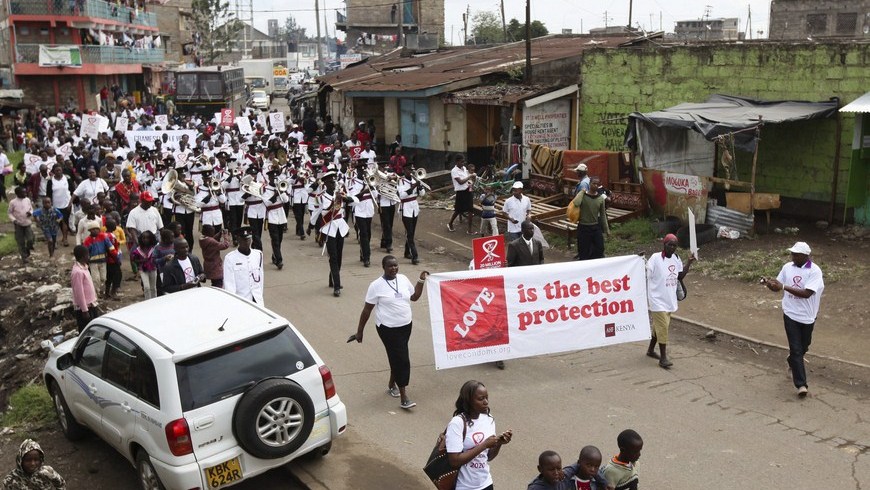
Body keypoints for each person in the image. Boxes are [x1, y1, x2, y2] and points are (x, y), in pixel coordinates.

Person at [352, 256, 428, 409]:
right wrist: (360, 332)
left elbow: (414, 297)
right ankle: (404, 397)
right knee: (402, 359)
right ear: (383, 267)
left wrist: (421, 281)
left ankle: (391, 384)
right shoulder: (376, 286)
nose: (394, 268)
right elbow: (367, 310)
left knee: (397, 357)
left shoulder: (403, 279)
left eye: (395, 265)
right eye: (390, 266)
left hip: (406, 326)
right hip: (387, 328)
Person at [761, 241, 824, 397]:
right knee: (796, 349)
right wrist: (769, 284)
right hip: (790, 313)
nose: (793, 256)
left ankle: (791, 361)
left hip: (808, 316)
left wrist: (783, 287)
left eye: (796, 254)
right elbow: (777, 285)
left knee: (804, 346)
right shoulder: (787, 267)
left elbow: (807, 293)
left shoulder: (814, 271)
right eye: (792, 253)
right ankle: (801, 385)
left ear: (806, 256)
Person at [446, 380, 513, 490]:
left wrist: (499, 443)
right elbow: (454, 461)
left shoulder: (488, 419)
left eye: (487, 397)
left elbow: (488, 457)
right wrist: (484, 445)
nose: (486, 402)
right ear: (469, 401)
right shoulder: (457, 423)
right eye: (481, 399)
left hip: (486, 483)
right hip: (463, 486)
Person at [645, 234, 695, 369]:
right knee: (663, 327)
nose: (672, 248)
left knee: (659, 327)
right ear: (664, 244)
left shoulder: (676, 258)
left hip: (669, 299)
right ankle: (663, 358)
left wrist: (689, 262)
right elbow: (646, 273)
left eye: (674, 245)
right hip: (656, 299)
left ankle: (650, 350)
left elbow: (680, 276)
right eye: (670, 245)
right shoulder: (655, 258)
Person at [223, 226, 265, 304]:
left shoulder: (258, 255)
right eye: (243, 239)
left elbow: (260, 278)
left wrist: (260, 296)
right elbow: (229, 285)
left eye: (248, 239)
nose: (246, 242)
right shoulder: (230, 258)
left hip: (257, 300)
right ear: (238, 240)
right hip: (241, 301)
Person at [1, 439, 66, 489]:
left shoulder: (47, 472)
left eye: (36, 459)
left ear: (41, 459)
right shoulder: (10, 480)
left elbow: (61, 484)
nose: (33, 463)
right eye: (28, 460)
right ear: (20, 460)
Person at [574, 176, 609, 261]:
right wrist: (582, 192)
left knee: (600, 249)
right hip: (583, 228)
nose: (596, 186)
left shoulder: (600, 198)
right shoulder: (583, 195)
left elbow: (603, 215)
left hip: (595, 227)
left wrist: (607, 230)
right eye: (594, 183)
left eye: (597, 184)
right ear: (589, 184)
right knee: (583, 253)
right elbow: (576, 203)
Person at [82, 219, 115, 298]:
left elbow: (110, 246)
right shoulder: (87, 240)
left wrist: (115, 255)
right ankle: (96, 293)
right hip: (93, 262)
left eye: (97, 229)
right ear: (90, 230)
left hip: (103, 261)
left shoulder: (103, 237)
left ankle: (101, 291)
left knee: (103, 278)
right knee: (95, 279)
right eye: (93, 229)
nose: (95, 230)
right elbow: (85, 251)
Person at [70, 245, 98, 329]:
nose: (89, 256)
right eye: (88, 255)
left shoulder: (84, 268)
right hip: (85, 308)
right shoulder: (77, 272)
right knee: (87, 330)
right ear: (83, 257)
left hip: (91, 304)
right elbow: (79, 292)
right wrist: (84, 310)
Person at [447, 155, 475, 233]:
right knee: (458, 210)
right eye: (461, 161)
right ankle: (450, 223)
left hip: (468, 191)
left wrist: (471, 182)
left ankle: (469, 230)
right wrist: (470, 176)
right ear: (457, 162)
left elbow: (467, 181)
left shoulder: (464, 169)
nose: (463, 163)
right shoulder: (454, 171)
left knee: (470, 210)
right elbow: (460, 182)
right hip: (460, 192)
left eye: (464, 161)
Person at [8, 187, 34, 264]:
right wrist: (14, 220)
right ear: (18, 193)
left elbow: (31, 209)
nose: (25, 194)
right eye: (23, 193)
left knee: (30, 239)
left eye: (25, 192)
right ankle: (24, 257)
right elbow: (9, 213)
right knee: (21, 241)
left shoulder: (27, 200)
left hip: (27, 222)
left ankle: (27, 249)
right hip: (18, 224)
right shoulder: (13, 202)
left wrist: (30, 212)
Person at [130, 230, 158, 299]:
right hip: (143, 269)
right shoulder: (138, 250)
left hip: (153, 268)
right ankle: (147, 302)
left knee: (153, 287)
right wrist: (142, 260)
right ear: (141, 239)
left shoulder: (154, 248)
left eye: (148, 238)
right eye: (144, 238)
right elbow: (134, 259)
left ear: (151, 239)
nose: (145, 240)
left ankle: (154, 301)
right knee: (146, 287)